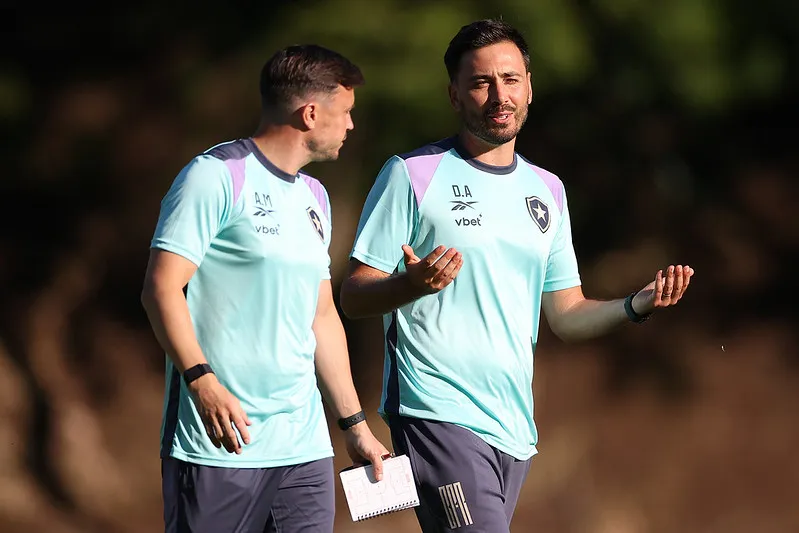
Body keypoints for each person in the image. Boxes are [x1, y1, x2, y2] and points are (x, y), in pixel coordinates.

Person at [340, 19, 694, 533]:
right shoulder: (412, 173)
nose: (498, 95)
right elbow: (353, 295)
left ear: (529, 86)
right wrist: (409, 286)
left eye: (510, 79)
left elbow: (567, 315)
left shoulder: (547, 190)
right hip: (435, 411)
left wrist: (632, 305)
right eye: (481, 82)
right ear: (454, 94)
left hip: (512, 429)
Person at [141, 44, 389, 533]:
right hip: (222, 441)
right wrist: (202, 382)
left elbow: (321, 317)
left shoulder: (315, 196)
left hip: (305, 447)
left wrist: (354, 425)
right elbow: (161, 289)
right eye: (345, 113)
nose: (351, 126)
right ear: (311, 113)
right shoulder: (214, 176)